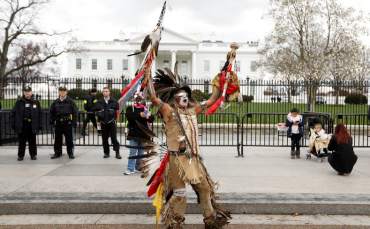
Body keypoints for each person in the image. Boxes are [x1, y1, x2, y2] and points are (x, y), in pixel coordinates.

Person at [147, 68, 231, 228]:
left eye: (186, 95)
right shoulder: (169, 112)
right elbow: (153, 98)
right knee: (180, 194)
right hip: (176, 160)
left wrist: (220, 82)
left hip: (193, 159)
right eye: (180, 96)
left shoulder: (193, 111)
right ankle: (175, 222)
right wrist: (147, 78)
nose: (184, 98)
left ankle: (210, 220)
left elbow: (212, 100)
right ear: (174, 99)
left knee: (205, 189)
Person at [124, 91, 154, 175]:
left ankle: (138, 167)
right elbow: (130, 117)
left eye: (140, 99)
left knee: (141, 153)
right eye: (137, 98)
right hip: (133, 133)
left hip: (143, 134)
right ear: (134, 99)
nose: (138, 100)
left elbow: (151, 119)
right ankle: (130, 168)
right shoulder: (130, 108)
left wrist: (148, 115)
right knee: (133, 152)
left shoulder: (145, 108)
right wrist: (141, 115)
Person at [11, 86, 42, 161]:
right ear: (24, 93)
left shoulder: (36, 102)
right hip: (23, 124)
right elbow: (13, 113)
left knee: (32, 141)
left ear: (31, 92)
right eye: (26, 92)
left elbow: (40, 114)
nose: (27, 93)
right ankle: (20, 155)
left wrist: (40, 125)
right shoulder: (19, 102)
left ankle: (33, 155)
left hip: (32, 124)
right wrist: (14, 124)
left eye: (28, 92)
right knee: (22, 141)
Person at [50, 86, 78, 159]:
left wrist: (74, 122)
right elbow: (52, 112)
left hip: (67, 123)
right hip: (58, 123)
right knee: (57, 139)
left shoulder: (71, 101)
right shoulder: (55, 102)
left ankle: (70, 153)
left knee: (69, 140)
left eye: (64, 91)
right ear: (59, 92)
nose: (62, 93)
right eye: (61, 91)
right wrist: (52, 121)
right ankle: (57, 153)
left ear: (66, 92)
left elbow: (75, 112)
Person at [94, 87, 121, 159]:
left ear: (109, 92)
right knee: (104, 139)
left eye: (106, 91)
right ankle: (106, 153)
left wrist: (116, 119)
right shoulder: (99, 102)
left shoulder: (114, 101)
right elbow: (95, 111)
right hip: (103, 123)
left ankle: (117, 152)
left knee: (114, 138)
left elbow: (117, 111)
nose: (105, 92)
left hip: (111, 122)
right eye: (104, 91)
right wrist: (98, 114)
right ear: (102, 93)